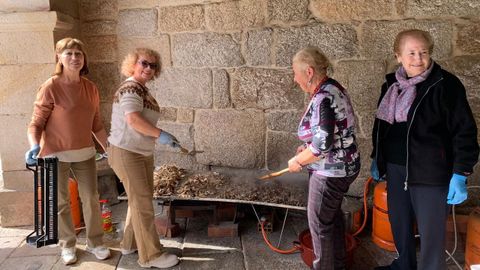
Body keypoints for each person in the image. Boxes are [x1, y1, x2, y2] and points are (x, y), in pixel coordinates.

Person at [371, 29, 479, 270]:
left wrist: (461, 173)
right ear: (398, 55)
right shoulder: (391, 85)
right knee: (399, 222)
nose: (418, 59)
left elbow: (465, 131)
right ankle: (404, 264)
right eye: (411, 53)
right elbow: (381, 126)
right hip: (396, 168)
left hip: (430, 172)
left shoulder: (446, 85)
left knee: (431, 234)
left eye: (424, 52)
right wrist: (376, 158)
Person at [25, 37, 111, 265]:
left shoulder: (91, 88)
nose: (74, 58)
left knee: (91, 198)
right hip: (55, 156)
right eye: (69, 54)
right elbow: (36, 123)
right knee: (61, 203)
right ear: (59, 57)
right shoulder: (50, 87)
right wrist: (34, 145)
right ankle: (68, 245)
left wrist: (109, 149)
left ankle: (95, 242)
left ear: (84, 59)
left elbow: (97, 125)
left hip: (84, 154)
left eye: (79, 54)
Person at [287, 47, 361, 270]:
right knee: (332, 220)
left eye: (295, 72)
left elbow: (322, 146)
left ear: (309, 72)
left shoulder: (322, 98)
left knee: (320, 227)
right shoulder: (333, 86)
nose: (294, 78)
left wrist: (298, 161)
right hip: (346, 165)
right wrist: (307, 147)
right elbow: (328, 133)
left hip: (331, 172)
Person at [107, 48, 179, 269]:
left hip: (139, 153)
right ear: (133, 64)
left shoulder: (141, 89)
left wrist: (158, 136)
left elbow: (140, 122)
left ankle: (129, 243)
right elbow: (133, 120)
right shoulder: (130, 88)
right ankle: (151, 256)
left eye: (153, 65)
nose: (149, 68)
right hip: (126, 153)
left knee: (139, 201)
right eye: (144, 63)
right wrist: (161, 134)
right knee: (143, 205)